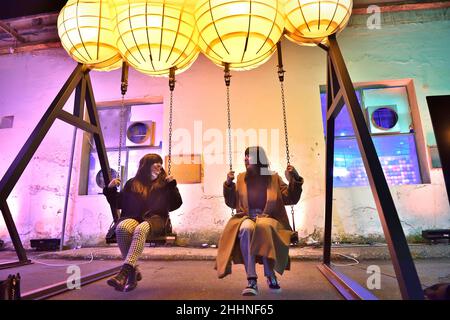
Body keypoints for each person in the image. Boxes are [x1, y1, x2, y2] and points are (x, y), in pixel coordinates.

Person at [216, 146, 303, 296]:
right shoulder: (241, 178)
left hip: (268, 217)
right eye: (245, 156)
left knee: (263, 226)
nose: (245, 158)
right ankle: (251, 279)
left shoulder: (273, 178)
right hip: (247, 216)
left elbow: (290, 198)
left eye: (249, 156)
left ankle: (270, 275)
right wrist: (228, 185)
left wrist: (294, 177)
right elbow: (232, 202)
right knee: (245, 229)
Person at [103, 153, 182, 292]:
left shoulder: (164, 184)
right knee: (121, 227)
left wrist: (172, 186)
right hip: (134, 218)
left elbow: (176, 204)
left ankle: (124, 273)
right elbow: (118, 203)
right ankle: (133, 271)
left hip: (156, 220)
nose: (159, 165)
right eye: (154, 162)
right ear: (146, 166)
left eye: (160, 163)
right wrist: (110, 189)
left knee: (141, 228)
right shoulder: (132, 183)